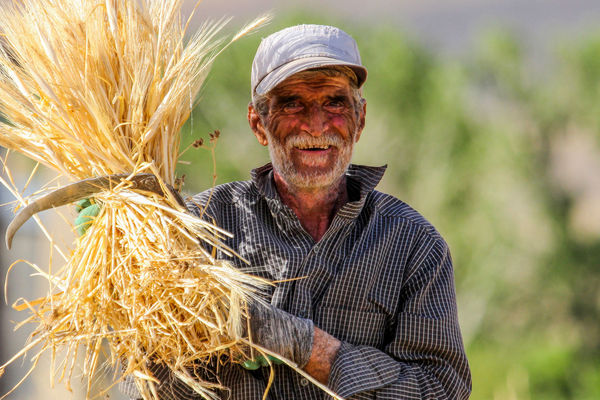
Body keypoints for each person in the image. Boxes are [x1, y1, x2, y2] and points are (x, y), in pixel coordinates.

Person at [123, 24, 472, 400]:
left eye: (335, 102)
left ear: (360, 119)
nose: (317, 124)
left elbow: (441, 390)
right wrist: (121, 264)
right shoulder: (199, 228)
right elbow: (155, 382)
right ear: (258, 124)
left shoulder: (411, 245)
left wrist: (311, 349)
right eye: (292, 103)